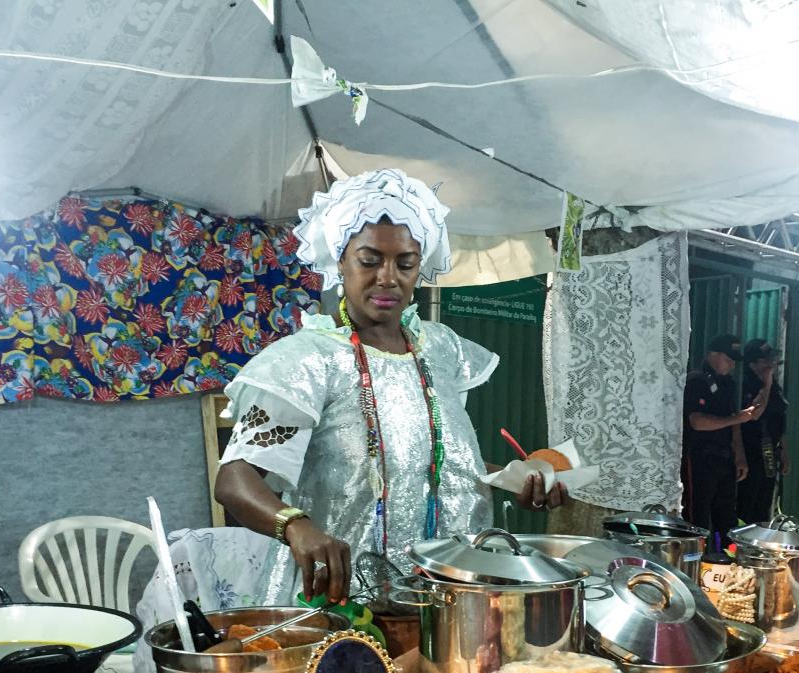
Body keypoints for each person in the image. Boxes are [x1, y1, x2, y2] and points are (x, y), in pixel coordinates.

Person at [213, 169, 568, 605]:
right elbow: (235, 479)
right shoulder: (304, 361)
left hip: (454, 594)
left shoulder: (441, 350)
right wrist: (296, 526)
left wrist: (516, 480)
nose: (388, 277)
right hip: (344, 599)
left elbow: (439, 462)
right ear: (340, 260)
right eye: (369, 260)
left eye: (405, 263)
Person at [683, 334, 765, 541]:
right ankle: (695, 562)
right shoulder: (697, 380)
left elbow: (734, 420)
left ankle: (725, 563)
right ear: (713, 354)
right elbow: (697, 422)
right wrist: (736, 418)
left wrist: (739, 454)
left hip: (724, 458)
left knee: (726, 519)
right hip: (700, 458)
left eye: (734, 361)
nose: (731, 364)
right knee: (697, 519)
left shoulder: (727, 383)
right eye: (728, 359)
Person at [736, 338, 788, 522]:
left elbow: (780, 419)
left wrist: (783, 452)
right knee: (747, 505)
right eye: (766, 361)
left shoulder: (775, 387)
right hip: (751, 452)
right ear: (753, 364)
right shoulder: (746, 385)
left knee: (764, 504)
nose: (771, 364)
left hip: (769, 453)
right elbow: (755, 413)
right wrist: (766, 383)